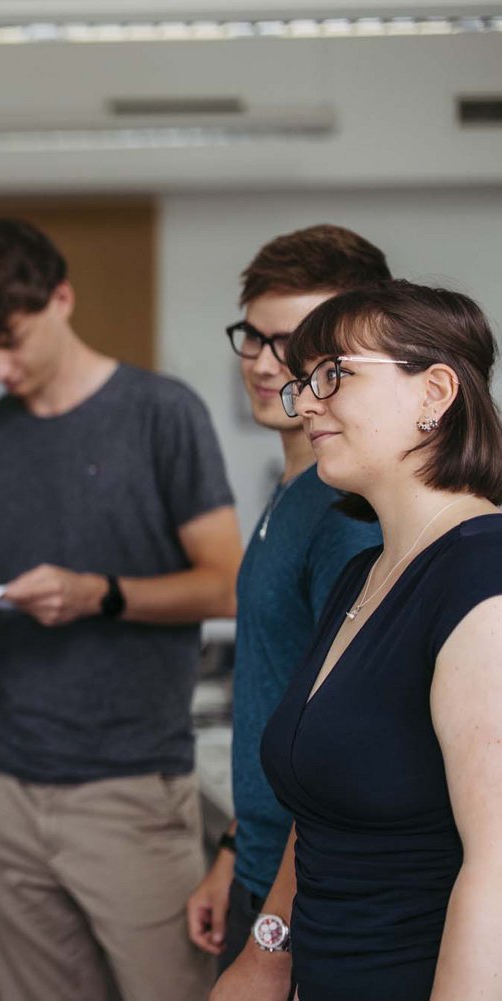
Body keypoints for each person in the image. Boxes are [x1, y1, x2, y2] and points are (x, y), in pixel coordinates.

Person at [0, 218, 242, 1001]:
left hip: (130, 787)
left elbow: (226, 583)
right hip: (2, 782)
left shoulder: (163, 412)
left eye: (11, 341)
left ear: (63, 298)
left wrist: (100, 593)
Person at [255, 280, 502, 1001]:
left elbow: (496, 867)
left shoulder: (483, 575)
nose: (305, 402)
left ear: (435, 392)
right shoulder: (366, 571)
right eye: (305, 382)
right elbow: (326, 812)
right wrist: (273, 956)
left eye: (335, 373)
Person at [184, 226, 386, 977]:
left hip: (309, 894)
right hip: (264, 865)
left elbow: (343, 747)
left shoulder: (345, 513)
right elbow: (281, 703)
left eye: (297, 341)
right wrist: (236, 852)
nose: (270, 364)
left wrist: (272, 936)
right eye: (255, 337)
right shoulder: (292, 491)